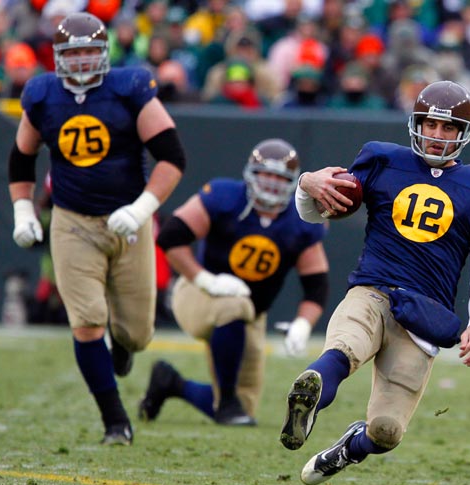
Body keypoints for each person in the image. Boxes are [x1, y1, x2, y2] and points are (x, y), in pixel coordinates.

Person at [279, 80, 470, 485]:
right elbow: (314, 214)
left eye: (448, 127)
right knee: (344, 349)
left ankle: (349, 448)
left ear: (463, 132)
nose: (437, 134)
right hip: (372, 290)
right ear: (416, 124)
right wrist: (306, 185)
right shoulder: (383, 160)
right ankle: (310, 396)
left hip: (422, 315)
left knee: (386, 432)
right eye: (430, 124)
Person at [7, 12, 186, 446]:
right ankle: (115, 421)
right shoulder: (43, 95)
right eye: (74, 53)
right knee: (87, 322)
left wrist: (142, 208)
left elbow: (172, 157)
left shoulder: (129, 88)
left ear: (105, 53)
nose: (83, 61)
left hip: (129, 222)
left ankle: (122, 345)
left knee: (137, 334)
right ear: (58, 57)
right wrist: (23, 211)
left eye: (90, 51)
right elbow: (21, 158)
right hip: (73, 221)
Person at [138, 138, 330, 426]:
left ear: (292, 182)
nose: (272, 183)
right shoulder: (224, 197)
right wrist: (205, 279)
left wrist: (303, 324)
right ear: (251, 174)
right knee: (234, 306)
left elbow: (316, 285)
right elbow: (171, 237)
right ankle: (226, 402)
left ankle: (172, 383)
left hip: (252, 312)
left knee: (245, 405)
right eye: (266, 174)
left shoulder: (300, 219)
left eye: (280, 177)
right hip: (198, 292)